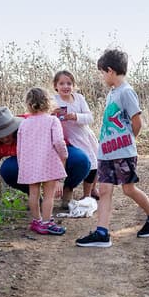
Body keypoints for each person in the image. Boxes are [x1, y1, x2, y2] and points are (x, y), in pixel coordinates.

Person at [75, 49, 149, 248]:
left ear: (110, 71)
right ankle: (102, 233)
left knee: (128, 188)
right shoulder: (113, 93)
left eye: (102, 72)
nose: (101, 77)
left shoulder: (126, 92)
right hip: (107, 153)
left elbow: (137, 121)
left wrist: (128, 141)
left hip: (123, 152)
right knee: (105, 190)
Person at [0, 106, 91, 206]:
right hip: (33, 163)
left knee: (82, 160)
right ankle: (35, 197)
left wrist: (59, 180)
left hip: (56, 153)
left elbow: (59, 147)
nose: (4, 138)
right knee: (8, 169)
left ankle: (68, 189)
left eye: (7, 132)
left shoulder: (30, 124)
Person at [17, 87, 68, 236]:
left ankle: (37, 221)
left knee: (33, 193)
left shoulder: (24, 124)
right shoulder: (52, 120)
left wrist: (22, 164)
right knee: (48, 195)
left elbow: (19, 148)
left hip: (29, 164)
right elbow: (58, 141)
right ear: (47, 102)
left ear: (28, 104)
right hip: (48, 162)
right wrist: (64, 155)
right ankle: (46, 223)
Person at [53, 70, 100, 204]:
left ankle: (89, 192)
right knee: (86, 161)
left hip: (84, 134)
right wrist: (53, 113)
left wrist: (75, 116)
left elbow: (90, 117)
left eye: (69, 83)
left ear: (73, 85)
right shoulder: (53, 100)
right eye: (61, 83)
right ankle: (79, 190)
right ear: (56, 86)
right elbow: (47, 117)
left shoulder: (79, 98)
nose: (65, 86)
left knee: (95, 161)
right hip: (68, 137)